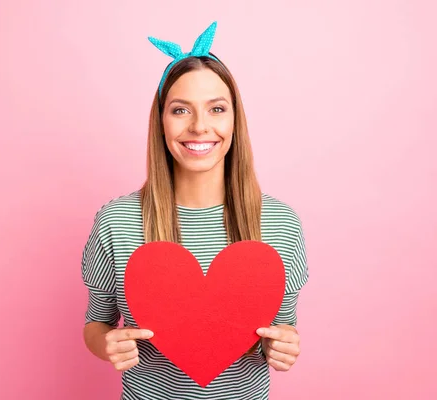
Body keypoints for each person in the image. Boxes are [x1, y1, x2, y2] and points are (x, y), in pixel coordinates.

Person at [80, 21, 309, 400]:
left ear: (235, 119)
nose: (200, 126)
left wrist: (283, 346)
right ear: (161, 121)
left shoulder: (280, 224)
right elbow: (96, 323)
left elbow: (283, 326)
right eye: (181, 110)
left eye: (216, 109)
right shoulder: (117, 223)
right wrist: (107, 344)